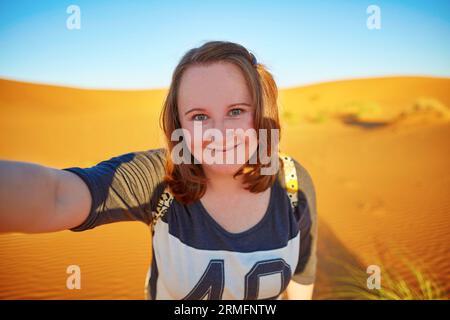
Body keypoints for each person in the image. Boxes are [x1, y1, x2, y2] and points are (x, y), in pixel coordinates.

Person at [0, 41, 317, 300]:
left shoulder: (292, 182)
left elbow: (303, 269)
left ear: (261, 115)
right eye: (199, 116)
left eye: (236, 110)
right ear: (179, 125)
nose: (218, 132)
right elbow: (57, 195)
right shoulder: (159, 178)